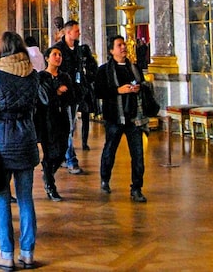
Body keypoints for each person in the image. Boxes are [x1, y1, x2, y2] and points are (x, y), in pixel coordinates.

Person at [0, 31, 40, 270]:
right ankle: (28, 252)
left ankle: (6, 253)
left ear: (1, 49)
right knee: (25, 199)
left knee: (1, 198)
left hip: (1, 143)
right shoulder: (32, 75)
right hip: (26, 139)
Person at [95, 35, 148, 203]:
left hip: (134, 118)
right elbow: (99, 92)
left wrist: (139, 88)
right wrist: (119, 90)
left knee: (138, 155)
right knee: (110, 150)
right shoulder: (104, 70)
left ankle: (137, 188)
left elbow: (144, 85)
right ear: (112, 50)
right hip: (114, 118)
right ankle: (105, 178)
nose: (123, 47)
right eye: (119, 45)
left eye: (124, 44)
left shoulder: (134, 68)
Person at [52, 19, 98, 166]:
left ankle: (63, 156)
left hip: (76, 92)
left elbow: (85, 67)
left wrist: (84, 84)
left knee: (70, 125)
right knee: (68, 125)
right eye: (76, 31)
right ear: (67, 32)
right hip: (63, 93)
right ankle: (70, 159)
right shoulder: (58, 49)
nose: (79, 33)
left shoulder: (79, 48)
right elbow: (53, 70)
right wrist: (58, 86)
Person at [37, 47, 72, 202]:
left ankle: (48, 173)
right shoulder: (41, 76)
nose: (58, 57)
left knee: (62, 149)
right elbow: (42, 96)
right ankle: (50, 185)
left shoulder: (65, 76)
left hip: (62, 117)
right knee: (49, 151)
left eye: (60, 55)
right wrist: (56, 92)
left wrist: (62, 93)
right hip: (45, 119)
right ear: (47, 58)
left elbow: (72, 94)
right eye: (54, 55)